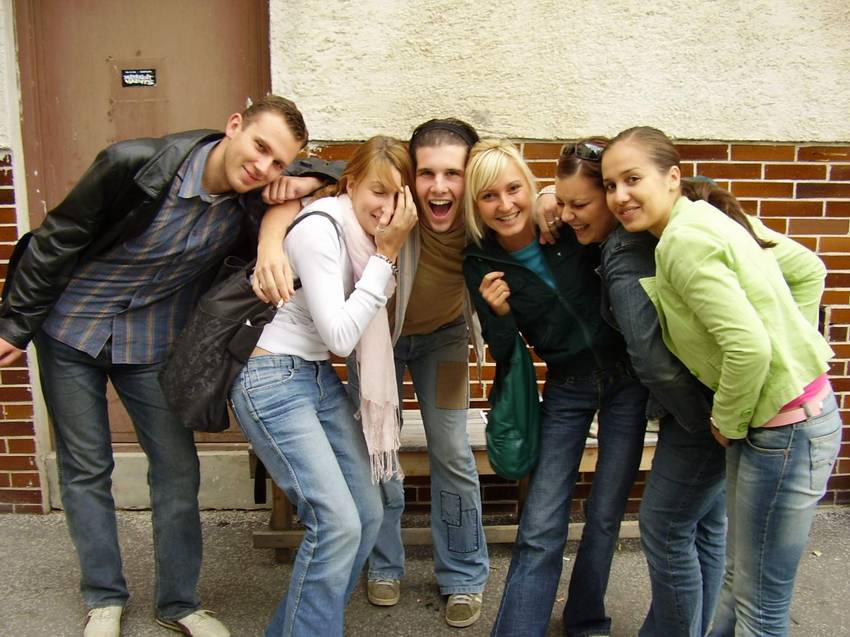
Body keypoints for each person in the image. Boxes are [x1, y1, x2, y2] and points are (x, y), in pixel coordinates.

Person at [0, 96, 333, 637]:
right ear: (233, 126)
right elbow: (58, 237)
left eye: (278, 162)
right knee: (86, 468)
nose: (263, 167)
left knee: (177, 471)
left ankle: (178, 603)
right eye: (259, 147)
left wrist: (299, 186)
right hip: (71, 330)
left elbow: (336, 170)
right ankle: (104, 598)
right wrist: (15, 322)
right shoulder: (134, 163)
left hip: (152, 343)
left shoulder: (252, 199)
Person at [600, 126, 841, 637]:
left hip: (785, 430)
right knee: (738, 584)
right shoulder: (704, 217)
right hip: (783, 420)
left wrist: (728, 419)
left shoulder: (682, 242)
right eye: (610, 185)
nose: (619, 196)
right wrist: (791, 347)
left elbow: (750, 348)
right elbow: (807, 269)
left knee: (761, 610)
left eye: (633, 179)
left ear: (672, 177)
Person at [229, 135, 418, 636]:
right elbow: (339, 336)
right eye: (378, 191)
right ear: (351, 185)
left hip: (312, 374)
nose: (387, 207)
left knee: (368, 513)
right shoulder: (321, 228)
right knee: (336, 523)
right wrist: (386, 257)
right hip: (272, 377)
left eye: (398, 195)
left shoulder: (360, 236)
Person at [538, 140, 726, 637]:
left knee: (669, 530)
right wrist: (546, 197)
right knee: (706, 528)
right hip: (724, 398)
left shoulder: (625, 252)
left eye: (581, 203)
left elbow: (652, 359)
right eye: (563, 202)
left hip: (702, 408)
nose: (568, 214)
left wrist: (702, 422)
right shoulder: (678, 220)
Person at [462, 139, 648, 637]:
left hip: (627, 380)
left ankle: (586, 620)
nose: (505, 205)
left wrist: (550, 196)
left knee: (605, 514)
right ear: (475, 205)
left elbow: (602, 189)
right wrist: (500, 315)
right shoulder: (478, 261)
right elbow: (508, 354)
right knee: (542, 520)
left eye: (514, 189)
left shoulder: (563, 224)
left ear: (529, 186)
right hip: (567, 385)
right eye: (488, 196)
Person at [365, 118, 490, 628]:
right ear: (410, 176)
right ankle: (383, 565)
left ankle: (463, 575)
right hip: (379, 343)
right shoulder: (392, 209)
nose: (439, 186)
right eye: (427, 173)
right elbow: (334, 184)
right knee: (378, 448)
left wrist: (547, 200)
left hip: (444, 339)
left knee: (453, 450)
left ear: (470, 176)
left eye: (453, 173)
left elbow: (531, 200)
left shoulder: (483, 216)